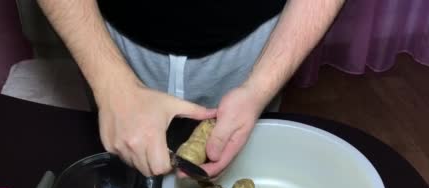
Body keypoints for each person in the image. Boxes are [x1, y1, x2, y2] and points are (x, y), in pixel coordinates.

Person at [36, 0, 345, 177]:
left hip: (258, 44)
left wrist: (260, 86)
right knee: (123, 175)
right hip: (110, 39)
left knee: (232, 172)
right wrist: (111, 82)